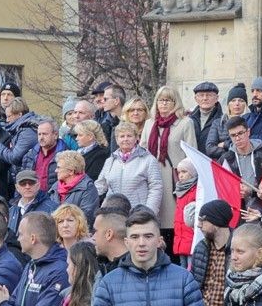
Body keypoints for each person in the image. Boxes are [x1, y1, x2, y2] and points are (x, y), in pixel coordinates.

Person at [142, 87, 196, 246]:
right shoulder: (149, 123)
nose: (163, 104)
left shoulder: (185, 123)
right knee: (154, 219)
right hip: (153, 177)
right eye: (161, 100)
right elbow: (143, 150)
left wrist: (186, 176)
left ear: (175, 103)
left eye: (168, 100)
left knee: (173, 222)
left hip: (175, 179)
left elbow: (191, 153)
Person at [95, 123, 163, 215]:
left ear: (136, 138)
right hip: (113, 213)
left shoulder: (148, 159)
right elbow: (100, 185)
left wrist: (149, 212)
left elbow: (156, 187)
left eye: (129, 136)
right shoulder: (110, 161)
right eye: (122, 136)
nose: (125, 139)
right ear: (117, 140)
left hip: (138, 214)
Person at [221, 117, 262, 195]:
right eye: (233, 135)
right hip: (237, 199)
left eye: (240, 133)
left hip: (261, 199)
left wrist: (254, 191)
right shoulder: (226, 159)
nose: (237, 138)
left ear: (248, 132)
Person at [54, 151, 99, 226]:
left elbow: (86, 217)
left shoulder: (88, 189)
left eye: (59, 167)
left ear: (71, 171)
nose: (56, 171)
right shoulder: (55, 187)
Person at [189, 81, 224, 155]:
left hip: (213, 160)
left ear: (217, 98)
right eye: (201, 95)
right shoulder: (189, 119)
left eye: (209, 95)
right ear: (196, 98)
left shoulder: (223, 120)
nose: (205, 98)